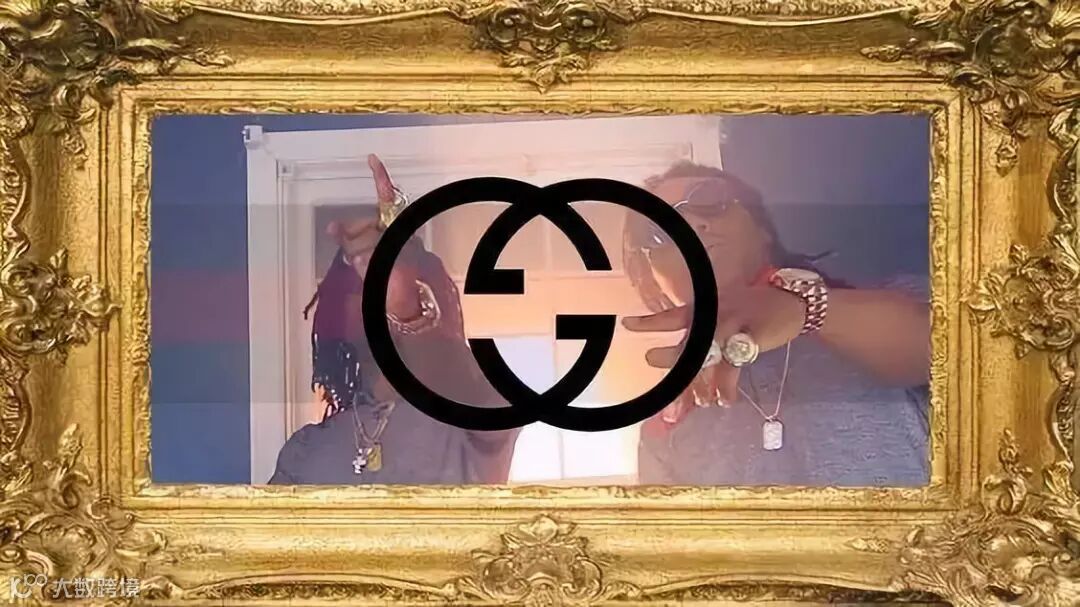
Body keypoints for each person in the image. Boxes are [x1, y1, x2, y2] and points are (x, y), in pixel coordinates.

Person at [622, 161, 931, 487]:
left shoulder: (894, 303)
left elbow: (952, 354)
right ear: (651, 281)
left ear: (762, 230)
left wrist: (808, 308)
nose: (690, 226)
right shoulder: (662, 427)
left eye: (709, 199)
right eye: (658, 228)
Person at [267, 154, 519, 485]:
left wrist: (409, 313)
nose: (373, 300)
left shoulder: (469, 421)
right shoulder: (304, 451)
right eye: (358, 286)